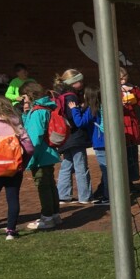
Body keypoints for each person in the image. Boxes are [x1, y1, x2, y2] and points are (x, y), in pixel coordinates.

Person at [0, 95, 33, 240]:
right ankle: (11, 231)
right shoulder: (16, 124)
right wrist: (23, 163)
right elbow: (29, 148)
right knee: (13, 199)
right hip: (14, 169)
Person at [20, 81, 60, 230]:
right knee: (50, 185)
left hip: (40, 154)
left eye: (24, 96)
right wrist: (25, 113)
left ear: (30, 94)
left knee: (43, 186)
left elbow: (34, 136)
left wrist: (30, 156)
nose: (23, 100)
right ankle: (54, 215)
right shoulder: (45, 107)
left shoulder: (37, 111)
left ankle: (47, 217)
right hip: (48, 153)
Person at [54, 69, 92, 205]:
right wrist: (82, 108)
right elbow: (74, 119)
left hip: (65, 136)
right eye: (79, 81)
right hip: (75, 136)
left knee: (66, 165)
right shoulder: (72, 97)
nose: (82, 83)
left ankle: (63, 195)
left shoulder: (61, 94)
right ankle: (85, 196)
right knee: (81, 167)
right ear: (73, 82)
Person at [73, 86, 108, 206]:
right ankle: (109, 194)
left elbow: (80, 122)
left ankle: (108, 196)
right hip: (108, 140)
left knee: (106, 170)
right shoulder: (104, 106)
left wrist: (74, 110)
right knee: (109, 170)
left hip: (100, 142)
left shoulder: (92, 109)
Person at [119, 69, 140, 188]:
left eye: (124, 77)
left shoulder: (132, 88)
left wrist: (134, 91)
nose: (123, 80)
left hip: (131, 124)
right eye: (120, 78)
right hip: (122, 125)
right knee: (122, 156)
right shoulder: (113, 90)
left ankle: (131, 181)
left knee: (132, 155)